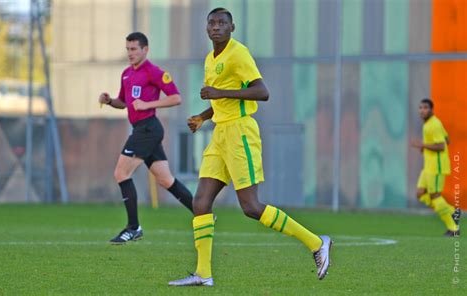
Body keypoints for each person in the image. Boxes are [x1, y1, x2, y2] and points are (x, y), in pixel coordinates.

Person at [168, 8, 332, 287]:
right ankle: (203, 273)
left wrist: (219, 93)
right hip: (220, 133)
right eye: (212, 23)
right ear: (206, 28)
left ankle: (317, 243)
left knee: (251, 207)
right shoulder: (211, 59)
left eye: (222, 23)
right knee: (201, 202)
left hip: (241, 132)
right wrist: (203, 116)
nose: (216, 27)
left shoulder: (238, 53)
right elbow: (221, 101)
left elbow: (261, 91)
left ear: (232, 27)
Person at [98, 32, 194, 244]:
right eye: (128, 49)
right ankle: (203, 214)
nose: (130, 53)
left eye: (134, 49)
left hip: (148, 129)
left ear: (145, 49)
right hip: (141, 129)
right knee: (165, 180)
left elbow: (176, 98)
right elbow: (124, 102)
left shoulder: (154, 72)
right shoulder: (126, 74)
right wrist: (109, 100)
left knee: (121, 173)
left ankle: (133, 227)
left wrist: (147, 104)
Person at [411, 98, 460, 237]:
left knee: (435, 196)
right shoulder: (428, 124)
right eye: (420, 108)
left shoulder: (434, 124)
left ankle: (454, 228)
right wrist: (426, 147)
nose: (422, 110)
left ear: (432, 109)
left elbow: (441, 146)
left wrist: (423, 145)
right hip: (428, 166)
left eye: (425, 107)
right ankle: (451, 211)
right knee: (420, 193)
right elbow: (447, 139)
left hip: (437, 167)